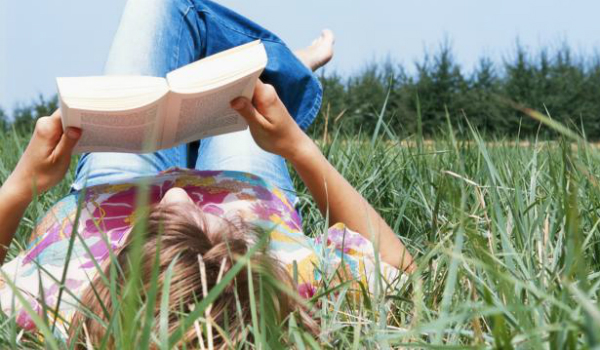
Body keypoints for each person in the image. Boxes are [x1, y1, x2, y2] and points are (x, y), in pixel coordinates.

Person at [0, 0, 414, 347]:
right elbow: (402, 268)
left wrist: (23, 183)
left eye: (154, 226)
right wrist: (295, 146)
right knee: (247, 92)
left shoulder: (60, 299)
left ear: (111, 285)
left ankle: (274, 70)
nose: (178, 194)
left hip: (113, 186)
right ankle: (286, 73)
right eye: (214, 224)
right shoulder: (286, 278)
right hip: (247, 189)